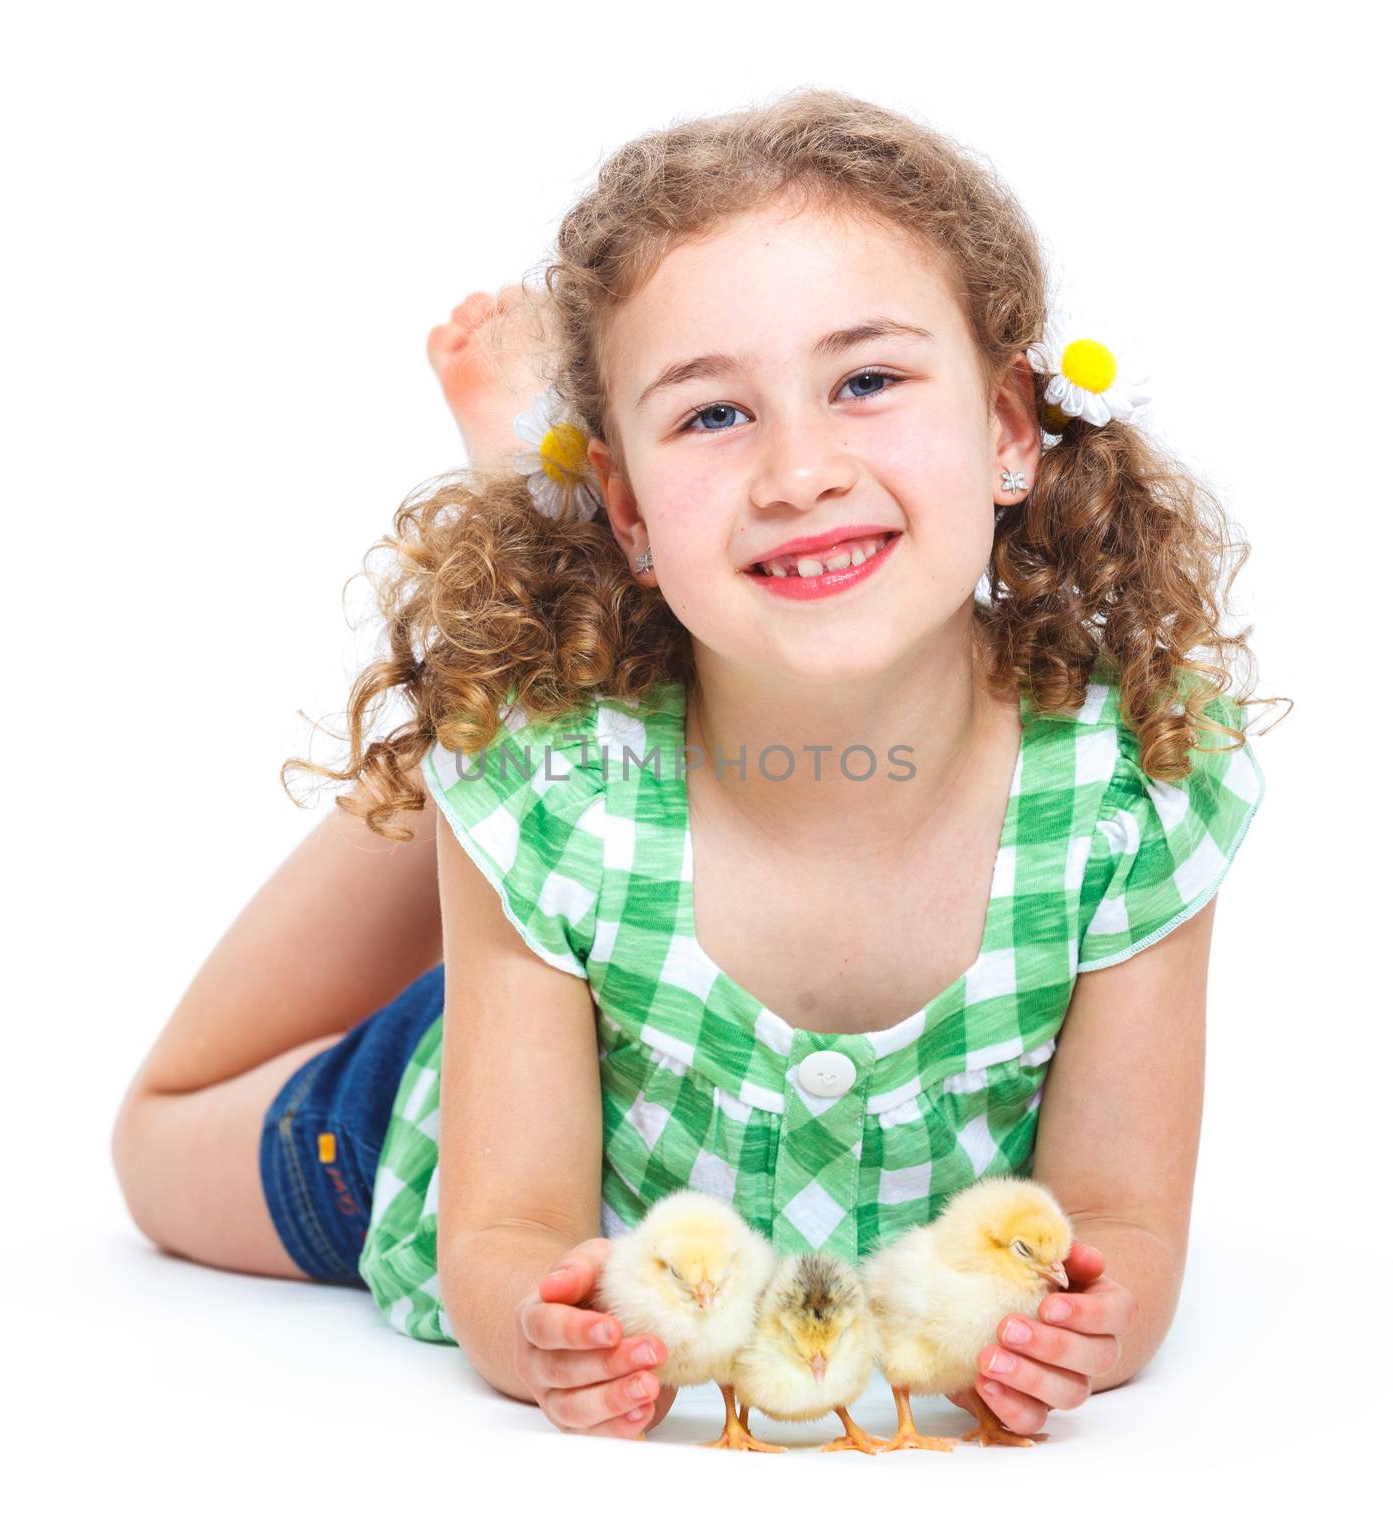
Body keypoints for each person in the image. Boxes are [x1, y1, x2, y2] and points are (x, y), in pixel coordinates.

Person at [111, 87, 1280, 1445]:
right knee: (158, 1140)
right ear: (636, 507)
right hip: (459, 1094)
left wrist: (1091, 1319)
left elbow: (1123, 1220)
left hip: (612, 906)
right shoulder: (562, 793)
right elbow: (506, 1227)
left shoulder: (1132, 778)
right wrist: (541, 1328)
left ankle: (548, 585)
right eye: (714, 415)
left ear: (1012, 427)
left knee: (536, 724)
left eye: (867, 381)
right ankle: (532, 585)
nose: (799, 470)